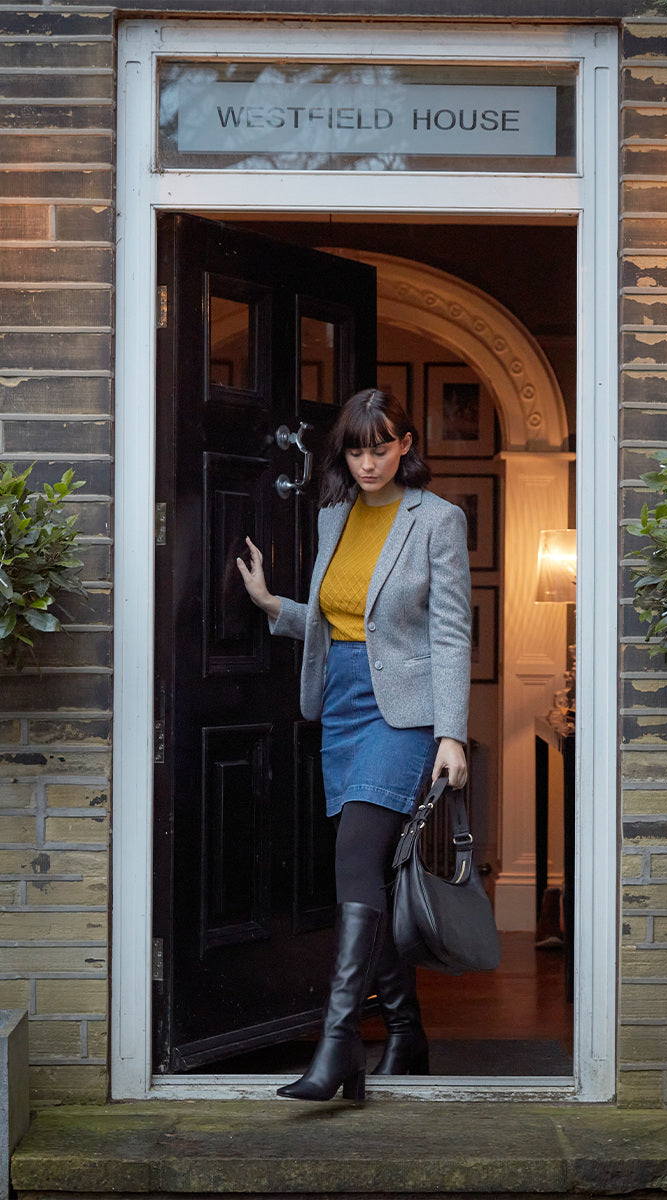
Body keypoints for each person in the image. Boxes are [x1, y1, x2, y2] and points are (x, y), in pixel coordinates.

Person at [237, 387, 472, 1102]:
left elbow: (451, 631)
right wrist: (275, 607)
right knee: (366, 872)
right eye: (357, 449)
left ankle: (339, 1044)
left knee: (354, 862)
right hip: (338, 706)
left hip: (402, 717)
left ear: (406, 445)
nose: (369, 461)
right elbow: (347, 620)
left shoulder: (438, 520)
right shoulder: (334, 514)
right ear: (345, 452)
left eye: (382, 446)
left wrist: (451, 732)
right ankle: (404, 1034)